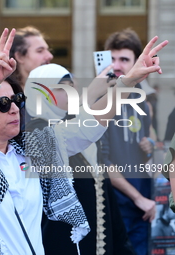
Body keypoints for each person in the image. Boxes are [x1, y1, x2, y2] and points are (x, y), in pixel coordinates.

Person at [0, 28, 167, 254]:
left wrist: (127, 82)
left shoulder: (32, 148)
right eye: (4, 104)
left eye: (16, 100)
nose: (15, 109)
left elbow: (90, 123)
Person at [24, 63, 136, 255]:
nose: (70, 92)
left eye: (72, 86)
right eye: (61, 87)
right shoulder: (35, 132)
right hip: (58, 245)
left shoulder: (82, 134)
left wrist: (121, 246)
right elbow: (79, 130)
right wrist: (125, 83)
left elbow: (104, 194)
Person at [99, 28, 159, 255]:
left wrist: (151, 146)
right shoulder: (99, 102)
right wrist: (138, 198)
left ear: (137, 63)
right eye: (112, 58)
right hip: (116, 203)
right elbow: (101, 161)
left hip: (144, 204)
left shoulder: (143, 101)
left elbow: (150, 141)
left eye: (124, 59)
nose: (117, 65)